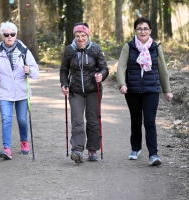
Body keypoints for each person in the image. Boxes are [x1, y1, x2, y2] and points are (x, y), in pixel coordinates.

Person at [117, 17, 173, 166]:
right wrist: (122, 84)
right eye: (139, 29)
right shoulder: (129, 47)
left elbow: (163, 70)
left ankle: (153, 155)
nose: (143, 31)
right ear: (135, 30)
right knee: (136, 120)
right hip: (133, 89)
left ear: (150, 30)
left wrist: (167, 90)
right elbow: (121, 67)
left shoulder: (155, 47)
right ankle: (135, 149)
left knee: (149, 121)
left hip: (151, 89)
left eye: (145, 28)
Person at [0, 21, 39, 160]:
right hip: (4, 91)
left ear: (16, 35)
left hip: (22, 91)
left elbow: (35, 71)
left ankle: (24, 141)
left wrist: (29, 70)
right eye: (6, 34)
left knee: (22, 119)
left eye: (12, 34)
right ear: (2, 36)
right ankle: (7, 148)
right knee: (6, 119)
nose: (10, 37)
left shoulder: (24, 51)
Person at [60, 22, 109, 163]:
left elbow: (104, 68)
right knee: (77, 121)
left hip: (94, 90)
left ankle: (92, 150)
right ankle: (77, 150)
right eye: (77, 36)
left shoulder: (95, 49)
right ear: (74, 36)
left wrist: (101, 75)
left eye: (83, 36)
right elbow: (64, 70)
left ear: (88, 36)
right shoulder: (69, 50)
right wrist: (64, 84)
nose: (80, 38)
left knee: (93, 120)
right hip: (75, 91)